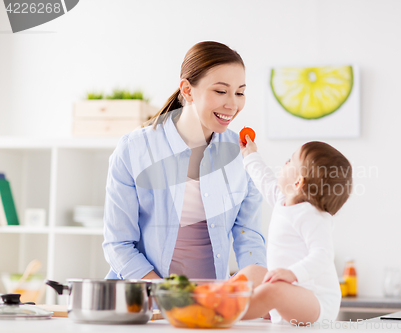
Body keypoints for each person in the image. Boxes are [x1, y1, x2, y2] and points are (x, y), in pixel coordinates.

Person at [102, 41, 267, 286]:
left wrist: (255, 289)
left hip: (213, 306)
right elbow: (118, 244)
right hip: (145, 301)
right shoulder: (135, 149)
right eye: (221, 91)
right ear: (187, 90)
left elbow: (249, 237)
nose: (233, 104)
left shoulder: (242, 154)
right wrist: (166, 294)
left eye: (240, 93)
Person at [237, 136, 353, 325]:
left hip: (316, 303)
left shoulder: (313, 216)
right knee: (251, 273)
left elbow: (323, 255)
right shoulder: (283, 202)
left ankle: (220, 313)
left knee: (273, 290)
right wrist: (250, 155)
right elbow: (264, 179)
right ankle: (210, 298)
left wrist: (293, 273)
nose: (285, 161)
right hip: (290, 295)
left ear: (298, 182)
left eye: (291, 160)